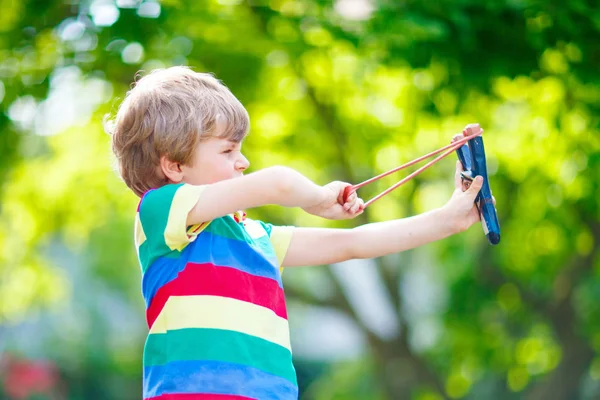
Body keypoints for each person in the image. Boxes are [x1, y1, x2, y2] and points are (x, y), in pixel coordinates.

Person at [107, 66, 485, 400]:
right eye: (228, 151)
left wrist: (446, 219)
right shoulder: (159, 213)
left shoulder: (254, 237)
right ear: (174, 166)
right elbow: (278, 183)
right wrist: (319, 199)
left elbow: (352, 243)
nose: (243, 161)